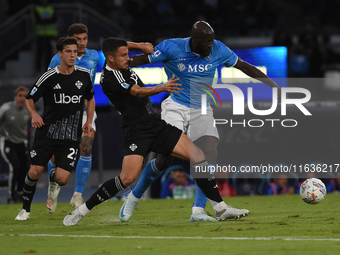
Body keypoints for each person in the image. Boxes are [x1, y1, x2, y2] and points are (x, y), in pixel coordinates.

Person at [62, 37, 249, 226]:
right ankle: (82, 210)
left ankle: (220, 208)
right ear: (110, 59)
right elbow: (137, 91)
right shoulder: (110, 78)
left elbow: (119, 44)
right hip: (136, 131)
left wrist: (139, 46)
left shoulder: (119, 63)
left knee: (199, 155)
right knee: (127, 178)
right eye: (124, 56)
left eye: (128, 54)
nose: (129, 59)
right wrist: (162, 87)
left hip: (155, 126)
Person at [122, 20, 281, 222]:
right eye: (206, 42)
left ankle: (198, 211)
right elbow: (140, 60)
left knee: (209, 150)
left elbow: (244, 67)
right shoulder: (172, 47)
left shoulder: (218, 49)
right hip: (175, 106)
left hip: (202, 108)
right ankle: (133, 198)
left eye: (211, 41)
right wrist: (121, 65)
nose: (209, 45)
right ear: (194, 40)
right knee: (164, 159)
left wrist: (273, 86)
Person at [47, 23, 154, 209]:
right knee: (57, 157)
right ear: (70, 39)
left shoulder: (93, 56)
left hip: (86, 110)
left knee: (86, 147)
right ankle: (53, 186)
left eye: (85, 38)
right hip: (63, 112)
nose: (82, 43)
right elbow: (47, 86)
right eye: (78, 39)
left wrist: (140, 46)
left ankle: (78, 194)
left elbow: (117, 49)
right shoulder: (57, 60)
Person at [15, 37, 95, 220]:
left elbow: (90, 98)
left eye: (75, 52)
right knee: (34, 172)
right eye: (68, 51)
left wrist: (89, 121)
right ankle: (25, 209)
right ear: (60, 54)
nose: (73, 55)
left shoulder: (83, 75)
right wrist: (34, 114)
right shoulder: (49, 76)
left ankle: (53, 178)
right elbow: (29, 98)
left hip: (70, 136)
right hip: (47, 133)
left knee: (62, 179)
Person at [0, 86, 30, 203]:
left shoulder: (29, 109)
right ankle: (11, 195)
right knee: (15, 166)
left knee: (23, 168)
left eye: (25, 96)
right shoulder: (6, 108)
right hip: (7, 141)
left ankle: (19, 193)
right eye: (20, 96)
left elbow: (34, 127)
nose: (22, 98)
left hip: (21, 143)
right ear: (15, 97)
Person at [34, 0, 58, 72]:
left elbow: (54, 19)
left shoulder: (51, 9)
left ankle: (47, 70)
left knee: (49, 53)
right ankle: (38, 70)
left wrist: (44, 20)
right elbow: (38, 20)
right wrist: (47, 20)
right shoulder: (37, 9)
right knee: (40, 52)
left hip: (50, 34)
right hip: (40, 34)